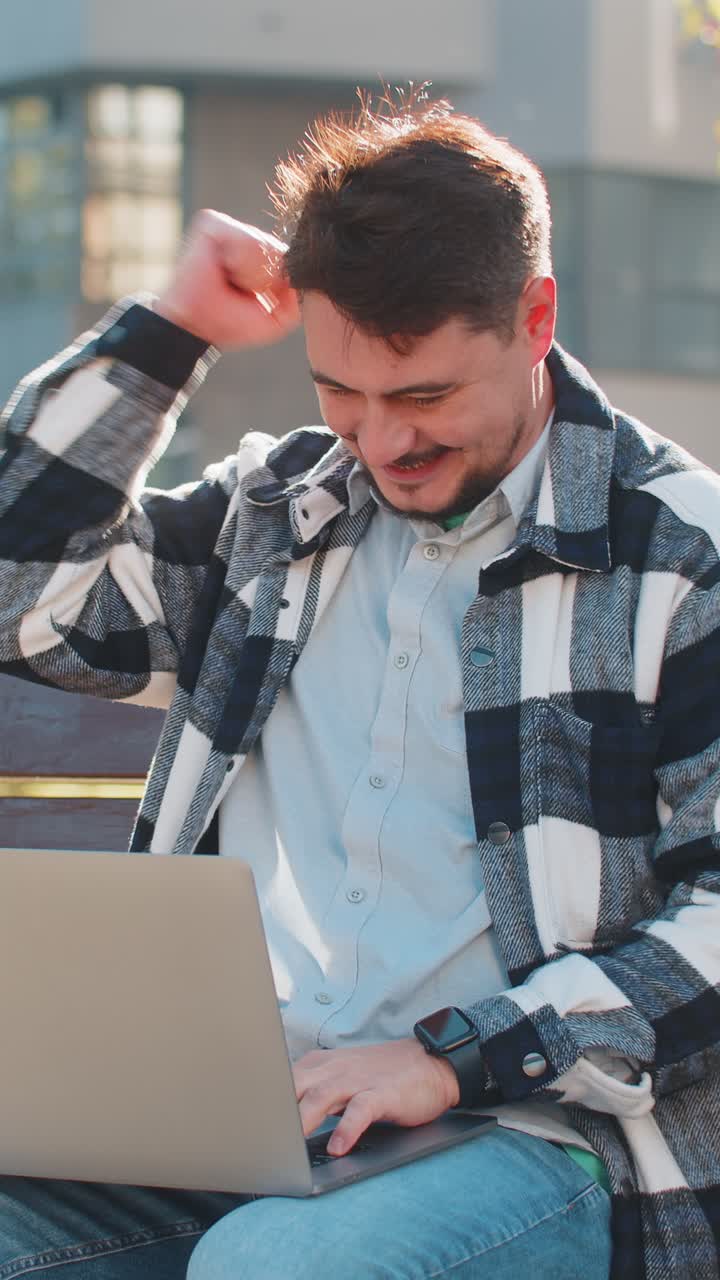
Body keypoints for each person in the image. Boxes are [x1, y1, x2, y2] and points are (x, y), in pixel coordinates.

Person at [0, 90, 718, 1280]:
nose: (381, 442)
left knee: (273, 1268)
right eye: (342, 392)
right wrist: (167, 330)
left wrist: (455, 1055)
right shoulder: (275, 518)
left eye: (425, 395)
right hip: (244, 1115)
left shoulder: (679, 555)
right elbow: (19, 596)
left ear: (535, 316)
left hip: (537, 1126)